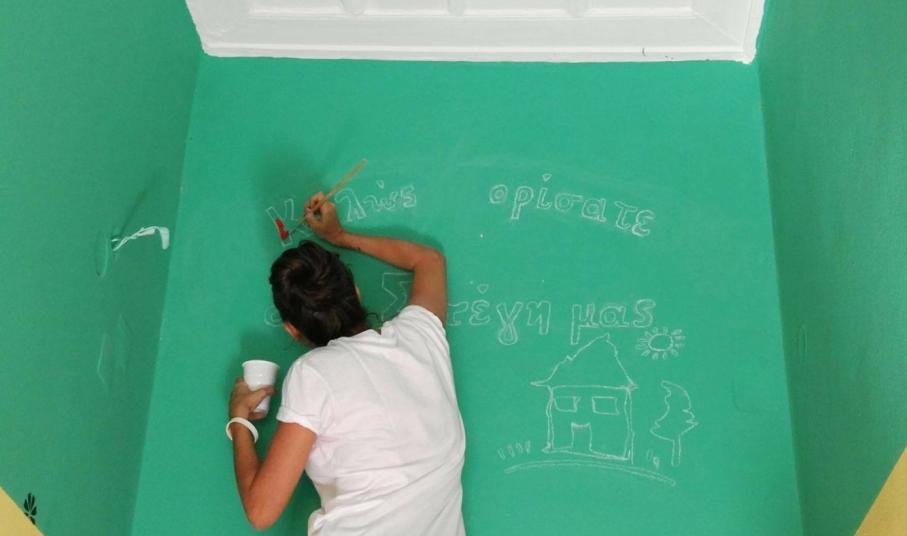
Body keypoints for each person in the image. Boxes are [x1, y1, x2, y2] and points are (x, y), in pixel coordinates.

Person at [226, 192, 466, 535]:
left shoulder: (314, 374)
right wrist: (340, 236)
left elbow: (261, 511)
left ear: (292, 330)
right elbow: (429, 260)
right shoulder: (420, 338)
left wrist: (239, 419)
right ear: (355, 290)